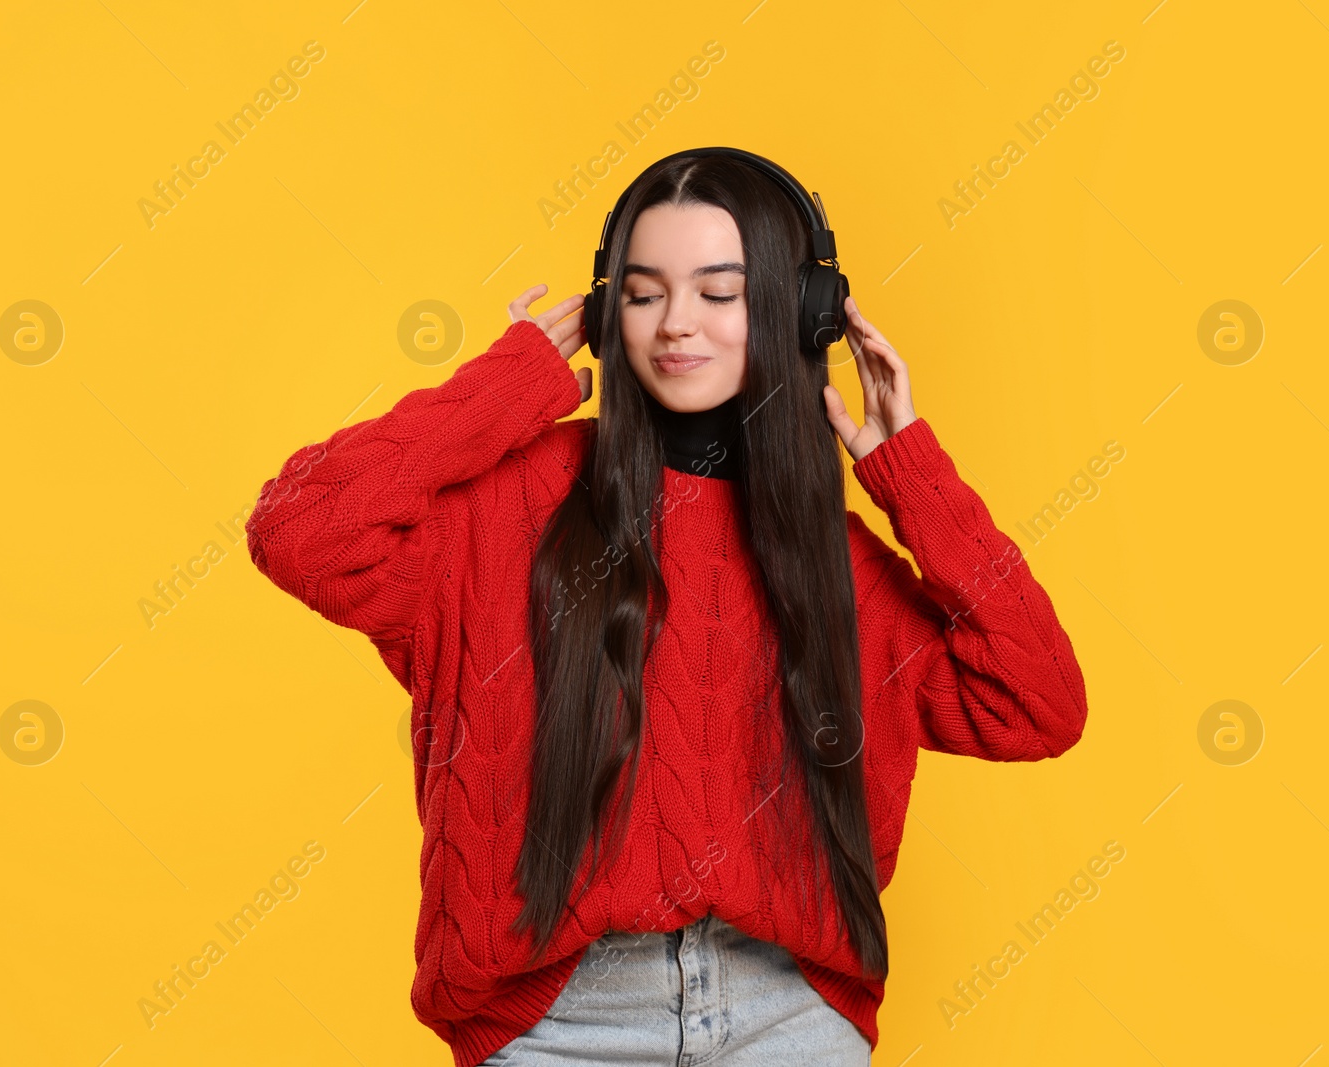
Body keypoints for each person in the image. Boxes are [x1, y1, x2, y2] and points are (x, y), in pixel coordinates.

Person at [244, 150, 1088, 1067]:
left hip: (787, 1018)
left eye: (719, 292)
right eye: (644, 294)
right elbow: (302, 530)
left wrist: (910, 471)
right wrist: (511, 386)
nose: (676, 324)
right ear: (607, 318)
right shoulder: (498, 517)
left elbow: (1037, 701)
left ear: (798, 312)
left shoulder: (836, 562)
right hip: (556, 1027)